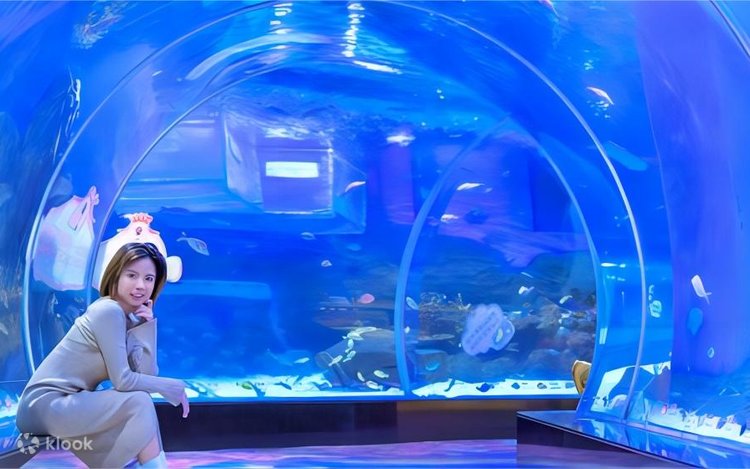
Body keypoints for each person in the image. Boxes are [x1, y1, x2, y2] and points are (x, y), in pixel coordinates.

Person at [16, 242, 190, 468]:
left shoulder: (128, 317)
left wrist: (147, 327)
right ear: (115, 275)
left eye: (149, 278)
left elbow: (146, 376)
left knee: (140, 399)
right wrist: (171, 386)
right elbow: (123, 381)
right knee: (138, 401)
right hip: (43, 405)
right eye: (132, 275)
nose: (141, 285)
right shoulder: (108, 311)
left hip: (69, 403)